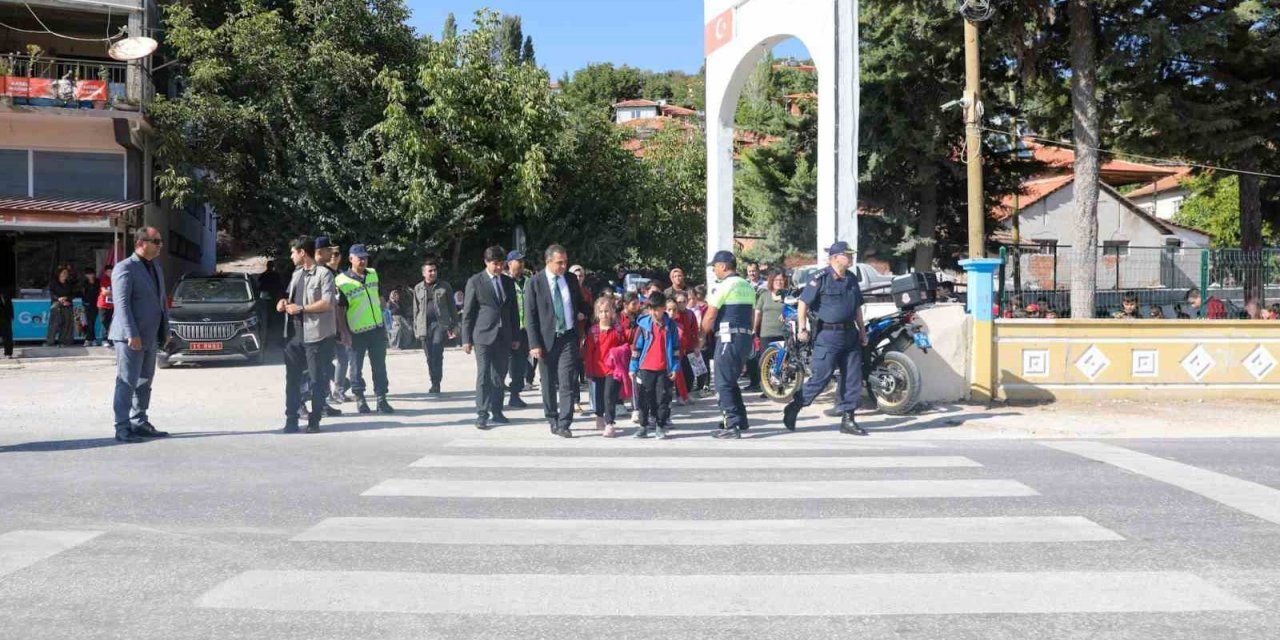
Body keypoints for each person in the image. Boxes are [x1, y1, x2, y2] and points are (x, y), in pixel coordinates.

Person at [782, 241, 869, 436]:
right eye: (848, 254)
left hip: (850, 334)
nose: (852, 257)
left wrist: (862, 331)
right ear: (835, 257)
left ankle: (848, 419)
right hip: (828, 335)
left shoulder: (852, 279)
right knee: (821, 376)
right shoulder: (820, 278)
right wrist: (802, 329)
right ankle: (795, 406)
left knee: (852, 377)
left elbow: (856, 308)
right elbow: (803, 303)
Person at [108, 227, 172, 443]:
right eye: (156, 241)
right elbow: (122, 305)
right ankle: (122, 427)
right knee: (126, 381)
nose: (160, 245)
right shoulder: (124, 268)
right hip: (130, 338)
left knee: (144, 382)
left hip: (151, 336)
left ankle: (139, 421)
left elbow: (161, 302)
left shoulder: (156, 268)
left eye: (160, 241)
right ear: (141, 243)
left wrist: (166, 331)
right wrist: (131, 334)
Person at [524, 245, 588, 438]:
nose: (563, 266)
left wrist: (585, 311)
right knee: (549, 382)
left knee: (567, 380)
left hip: (568, 336)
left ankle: (565, 422)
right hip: (545, 341)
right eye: (559, 262)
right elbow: (530, 316)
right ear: (548, 261)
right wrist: (534, 344)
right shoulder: (535, 282)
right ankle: (552, 417)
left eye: (565, 262)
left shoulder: (570, 279)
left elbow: (579, 302)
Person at [278, 235, 339, 433]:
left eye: (293, 252)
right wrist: (283, 303)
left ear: (302, 252)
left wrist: (302, 308)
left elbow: (328, 303)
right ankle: (291, 419)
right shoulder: (296, 274)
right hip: (294, 335)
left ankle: (315, 420)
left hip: (317, 336)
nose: (291, 256)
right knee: (292, 380)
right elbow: (289, 297)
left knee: (317, 380)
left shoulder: (324, 274)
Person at [462, 245, 521, 430]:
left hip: (504, 336)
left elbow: (513, 311)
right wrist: (466, 339)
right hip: (483, 335)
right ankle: (482, 413)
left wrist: (515, 335)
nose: (498, 267)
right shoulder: (475, 281)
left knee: (499, 375)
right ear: (486, 262)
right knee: (484, 374)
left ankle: (497, 410)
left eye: (501, 264)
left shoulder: (508, 282)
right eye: (495, 264)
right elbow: (468, 312)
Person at [701, 251, 758, 439]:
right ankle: (741, 419)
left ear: (724, 266)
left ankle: (731, 424)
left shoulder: (724, 285)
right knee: (731, 379)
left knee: (722, 382)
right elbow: (751, 314)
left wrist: (701, 337)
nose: (714, 270)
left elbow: (710, 315)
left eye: (715, 266)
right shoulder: (747, 285)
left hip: (728, 337)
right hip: (744, 337)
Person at [335, 244, 394, 414]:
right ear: (351, 259)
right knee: (355, 368)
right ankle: (360, 399)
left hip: (376, 329)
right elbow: (340, 309)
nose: (363, 260)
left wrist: (385, 314)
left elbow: (379, 296)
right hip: (356, 331)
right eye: (359, 257)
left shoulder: (373, 274)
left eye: (365, 257)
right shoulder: (341, 281)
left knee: (380, 366)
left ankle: (382, 399)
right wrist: (344, 332)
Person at [630, 292, 679, 439]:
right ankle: (643, 426)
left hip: (664, 369)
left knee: (662, 398)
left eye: (656, 309)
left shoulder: (671, 326)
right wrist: (633, 367)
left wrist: (675, 367)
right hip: (646, 368)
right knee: (644, 398)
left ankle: (660, 425)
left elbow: (676, 349)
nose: (653, 312)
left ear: (664, 308)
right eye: (650, 309)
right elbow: (636, 348)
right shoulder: (643, 325)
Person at [413, 258, 458, 394]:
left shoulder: (445, 286)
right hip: (424, 326)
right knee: (429, 356)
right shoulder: (418, 288)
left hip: (440, 324)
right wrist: (415, 329)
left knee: (437, 351)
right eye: (430, 271)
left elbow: (452, 307)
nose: (433, 273)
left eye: (434, 270)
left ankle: (437, 383)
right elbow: (416, 310)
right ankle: (433, 380)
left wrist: (455, 325)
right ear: (424, 273)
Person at [584, 297, 627, 436]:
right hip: (597, 369)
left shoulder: (618, 330)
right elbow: (589, 353)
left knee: (609, 395)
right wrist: (588, 370)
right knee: (598, 396)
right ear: (597, 313)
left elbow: (625, 347)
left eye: (607, 311)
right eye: (601, 311)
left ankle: (610, 423)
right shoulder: (593, 331)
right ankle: (599, 416)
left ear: (613, 312)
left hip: (612, 369)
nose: (604, 314)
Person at [320, 242, 353, 404]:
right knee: (325, 359)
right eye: (331, 254)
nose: (334, 256)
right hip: (325, 322)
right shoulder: (323, 273)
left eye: (337, 254)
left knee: (342, 357)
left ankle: (339, 388)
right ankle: (329, 393)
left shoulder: (341, 275)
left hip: (340, 321)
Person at [751, 269, 790, 393]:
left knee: (783, 361)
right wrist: (754, 329)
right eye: (776, 280)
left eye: (781, 280)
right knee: (766, 363)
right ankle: (767, 389)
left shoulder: (788, 295)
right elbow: (758, 312)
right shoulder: (764, 295)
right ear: (771, 281)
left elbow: (795, 309)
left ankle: (780, 387)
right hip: (766, 334)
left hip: (783, 333)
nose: (779, 282)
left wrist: (786, 314)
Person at [505, 250, 532, 408]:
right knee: (506, 363)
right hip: (508, 328)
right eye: (518, 261)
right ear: (509, 264)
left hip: (526, 329)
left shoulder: (529, 281)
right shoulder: (504, 281)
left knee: (520, 362)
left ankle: (515, 394)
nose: (521, 264)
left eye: (522, 261)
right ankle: (496, 395)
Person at [46, 266, 76, 347]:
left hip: (67, 304)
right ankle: (50, 342)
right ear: (59, 273)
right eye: (63, 273)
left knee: (66, 324)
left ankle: (62, 341)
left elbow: (73, 294)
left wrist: (67, 299)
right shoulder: (53, 283)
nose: (65, 275)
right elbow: (52, 294)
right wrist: (59, 299)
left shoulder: (69, 283)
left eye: (66, 273)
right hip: (56, 304)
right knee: (54, 324)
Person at [80, 267, 100, 346]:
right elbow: (82, 294)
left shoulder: (98, 282)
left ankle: (89, 339)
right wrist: (84, 302)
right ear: (85, 275)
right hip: (87, 304)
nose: (90, 276)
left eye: (91, 274)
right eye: (88, 274)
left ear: (94, 274)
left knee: (92, 321)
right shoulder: (84, 283)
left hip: (96, 304)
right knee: (89, 321)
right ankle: (91, 339)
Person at [96, 264, 114, 348]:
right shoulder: (103, 279)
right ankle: (104, 339)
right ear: (105, 272)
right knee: (104, 322)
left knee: (111, 322)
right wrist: (114, 292)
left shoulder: (115, 279)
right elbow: (104, 292)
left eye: (111, 271)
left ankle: (110, 339)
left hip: (112, 305)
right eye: (108, 271)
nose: (110, 273)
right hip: (103, 304)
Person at [1, 287, 14, 359]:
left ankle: (8, 353)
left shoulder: (6, 296)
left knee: (8, 336)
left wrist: (11, 317)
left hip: (6, 319)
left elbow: (10, 306)